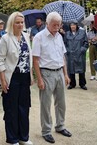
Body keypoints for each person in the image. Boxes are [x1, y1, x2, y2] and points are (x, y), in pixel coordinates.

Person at [32, 11, 72, 144]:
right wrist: (39, 79)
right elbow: (35, 60)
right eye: (54, 25)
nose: (57, 27)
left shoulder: (59, 36)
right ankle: (46, 131)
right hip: (46, 73)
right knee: (45, 104)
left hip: (59, 71)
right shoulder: (39, 37)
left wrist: (65, 74)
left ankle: (60, 126)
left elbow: (63, 56)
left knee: (61, 103)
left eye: (59, 25)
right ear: (47, 23)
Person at [0, 12, 33, 145]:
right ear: (12, 23)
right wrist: (3, 79)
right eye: (17, 22)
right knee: (11, 108)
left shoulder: (26, 36)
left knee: (24, 107)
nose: (20, 24)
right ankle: (12, 138)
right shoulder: (5, 38)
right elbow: (0, 60)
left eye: (22, 22)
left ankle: (24, 137)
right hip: (11, 77)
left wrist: (30, 75)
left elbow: (28, 56)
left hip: (24, 77)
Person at [64, 20, 89, 90]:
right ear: (70, 26)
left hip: (80, 54)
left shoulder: (82, 33)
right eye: (71, 25)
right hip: (71, 55)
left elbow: (86, 43)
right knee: (71, 70)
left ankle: (82, 84)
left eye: (74, 25)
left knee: (81, 70)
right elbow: (64, 44)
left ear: (77, 26)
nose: (73, 26)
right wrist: (67, 50)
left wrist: (82, 50)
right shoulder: (67, 34)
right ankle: (72, 84)